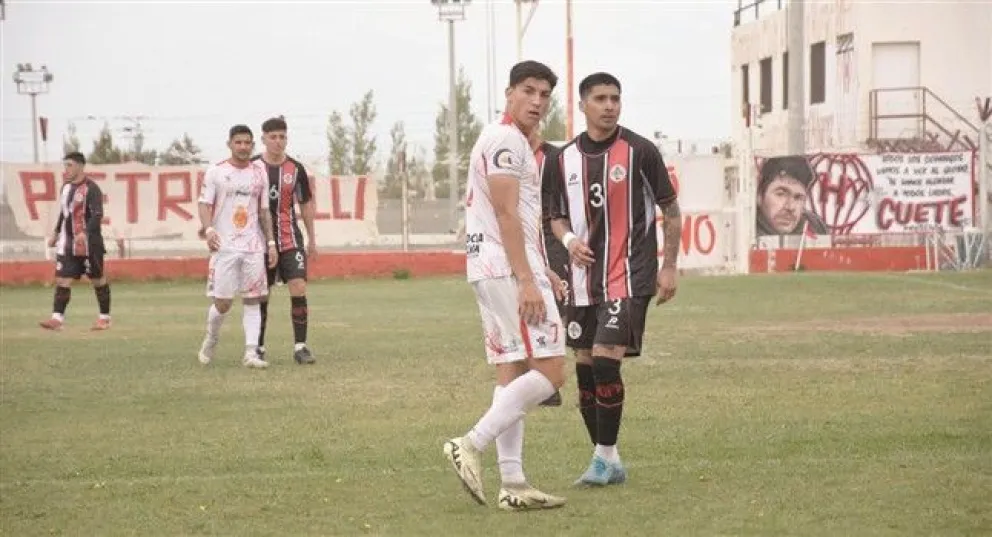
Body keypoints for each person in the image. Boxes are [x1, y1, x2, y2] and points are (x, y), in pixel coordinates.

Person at [442, 60, 568, 511]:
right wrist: (528, 278)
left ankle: (512, 484)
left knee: (512, 370)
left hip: (494, 266)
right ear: (509, 93)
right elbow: (506, 213)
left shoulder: (511, 141)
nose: (537, 102)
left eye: (545, 95)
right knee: (551, 373)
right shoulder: (506, 140)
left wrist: (541, 268)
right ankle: (469, 443)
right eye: (528, 91)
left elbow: (517, 217)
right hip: (505, 271)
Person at [546, 72, 682, 486]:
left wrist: (670, 265)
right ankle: (608, 459)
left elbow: (671, 211)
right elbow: (555, 217)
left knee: (606, 362)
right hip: (583, 280)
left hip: (629, 273)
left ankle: (603, 458)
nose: (609, 105)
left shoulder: (640, 151)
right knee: (585, 373)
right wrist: (569, 240)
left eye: (615, 98)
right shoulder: (562, 158)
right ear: (583, 105)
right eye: (601, 98)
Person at [196, 124, 278, 369]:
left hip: (253, 245)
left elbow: (264, 210)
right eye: (238, 142)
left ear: (253, 145)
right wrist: (209, 229)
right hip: (225, 246)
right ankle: (211, 338)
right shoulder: (216, 172)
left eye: (247, 143)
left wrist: (271, 243)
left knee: (254, 299)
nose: (243, 147)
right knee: (223, 303)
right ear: (230, 144)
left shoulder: (259, 172)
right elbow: (203, 204)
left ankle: (251, 353)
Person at [252, 116, 317, 365]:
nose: (278, 142)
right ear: (264, 139)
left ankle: (301, 347)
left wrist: (312, 239)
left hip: (291, 239)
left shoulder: (296, 169)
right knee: (261, 295)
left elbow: (306, 204)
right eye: (273, 137)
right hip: (259, 242)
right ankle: (257, 346)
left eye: (282, 137)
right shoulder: (254, 167)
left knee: (299, 286)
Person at [39, 152, 112, 331]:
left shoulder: (92, 189)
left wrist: (85, 232)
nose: (66, 169)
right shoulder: (65, 188)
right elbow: (64, 213)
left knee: (98, 280)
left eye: (69, 165)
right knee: (62, 279)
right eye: (65, 165)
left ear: (80, 166)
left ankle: (104, 318)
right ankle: (57, 319)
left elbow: (97, 215)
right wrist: (56, 233)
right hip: (67, 242)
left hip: (89, 245)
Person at [534, 131, 567, 408]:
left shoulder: (555, 158)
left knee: (555, 307)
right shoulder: (510, 154)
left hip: (552, 239)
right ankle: (542, 381)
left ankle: (549, 382)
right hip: (526, 241)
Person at [755, 155, 829, 236]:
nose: (790, 207)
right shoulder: (743, 230)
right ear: (759, 195)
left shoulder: (815, 227)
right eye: (781, 194)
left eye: (798, 197)